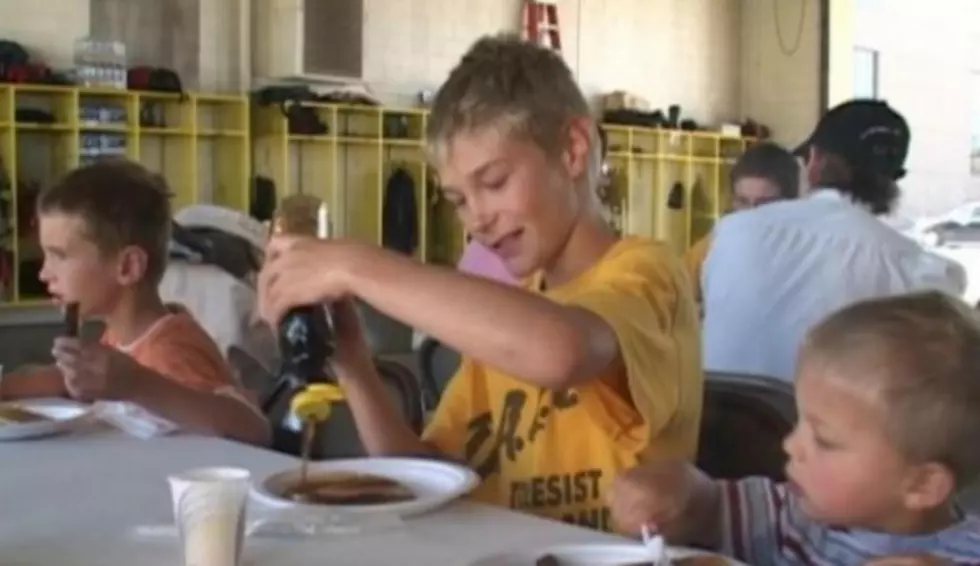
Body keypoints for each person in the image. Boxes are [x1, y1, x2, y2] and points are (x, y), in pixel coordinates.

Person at [258, 34, 702, 530]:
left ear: (573, 150)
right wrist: (354, 363)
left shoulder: (648, 274)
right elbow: (428, 475)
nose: (477, 221)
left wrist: (355, 264)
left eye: (493, 183)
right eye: (459, 201)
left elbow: (563, 352)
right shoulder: (508, 317)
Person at [610, 291, 980, 565]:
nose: (790, 445)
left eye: (824, 440)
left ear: (921, 484)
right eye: (800, 422)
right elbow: (710, 509)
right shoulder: (791, 515)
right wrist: (677, 491)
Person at [0, 160, 270, 446]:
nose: (44, 273)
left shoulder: (169, 352)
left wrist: (136, 383)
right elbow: (61, 380)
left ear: (128, 266)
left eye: (60, 256)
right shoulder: (124, 334)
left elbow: (254, 430)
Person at [701, 99, 967, 382]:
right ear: (892, 181)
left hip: (717, 418)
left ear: (815, 162)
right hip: (822, 422)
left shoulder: (732, 231)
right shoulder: (917, 270)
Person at [684, 141, 800, 305]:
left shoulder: (805, 255)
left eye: (764, 204)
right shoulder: (708, 250)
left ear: (791, 204)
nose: (750, 214)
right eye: (743, 202)